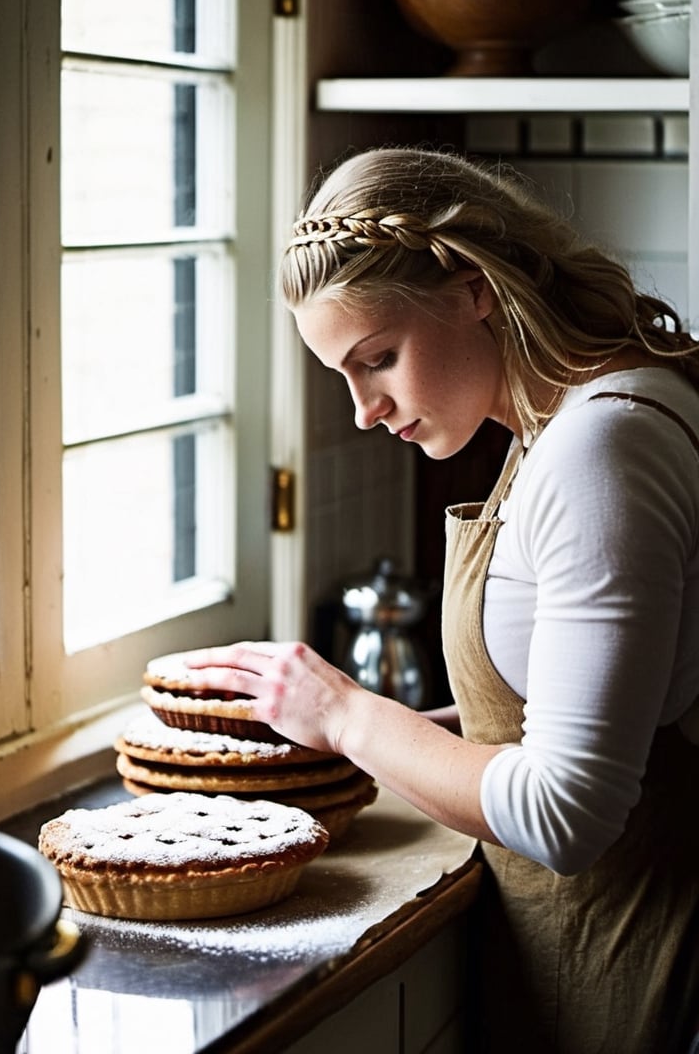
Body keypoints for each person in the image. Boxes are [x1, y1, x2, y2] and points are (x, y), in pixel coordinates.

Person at [180, 146, 699, 1053]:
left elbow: (563, 812)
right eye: (343, 374)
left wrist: (346, 715)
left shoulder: (600, 451)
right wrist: (348, 736)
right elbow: (584, 700)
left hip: (652, 973)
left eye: (378, 358)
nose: (363, 410)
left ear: (473, 287)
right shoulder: (568, 415)